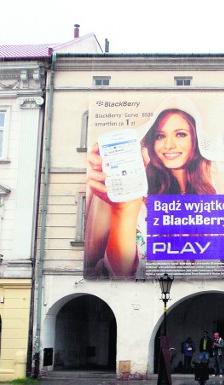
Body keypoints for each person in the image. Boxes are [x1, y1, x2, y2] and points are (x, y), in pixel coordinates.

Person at [85, 99, 216, 279]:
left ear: (196, 140)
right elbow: (121, 271)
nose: (169, 145)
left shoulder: (215, 199)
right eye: (160, 136)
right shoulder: (139, 199)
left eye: (180, 134)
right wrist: (123, 211)